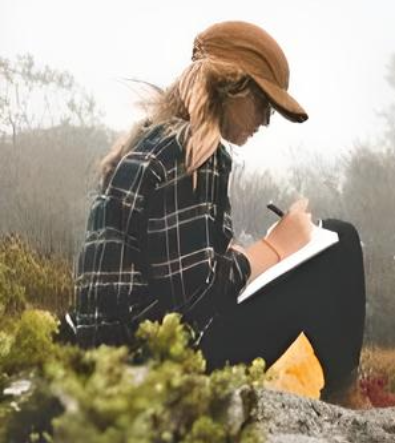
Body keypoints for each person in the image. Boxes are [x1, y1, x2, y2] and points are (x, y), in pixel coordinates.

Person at [68, 20, 367, 406]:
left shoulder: (146, 142)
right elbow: (199, 296)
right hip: (164, 365)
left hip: (113, 359)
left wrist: (244, 257)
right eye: (263, 103)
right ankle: (346, 396)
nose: (265, 119)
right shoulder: (194, 152)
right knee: (340, 241)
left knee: (313, 246)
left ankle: (346, 392)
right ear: (233, 86)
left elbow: (170, 281)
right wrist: (277, 247)